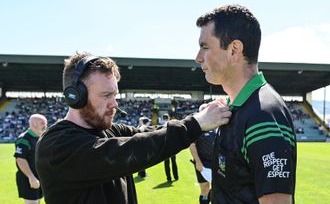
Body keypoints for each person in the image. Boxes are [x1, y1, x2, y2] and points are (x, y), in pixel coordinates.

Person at [35, 52, 232, 204]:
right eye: (106, 96)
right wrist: (197, 123)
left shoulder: (110, 130)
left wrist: (199, 116)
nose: (114, 104)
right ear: (75, 96)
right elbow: (134, 149)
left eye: (115, 95)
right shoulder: (56, 146)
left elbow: (153, 135)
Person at [195, 4, 297, 204]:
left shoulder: (263, 115)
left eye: (205, 47)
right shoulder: (237, 107)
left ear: (234, 50)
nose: (198, 58)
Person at [14, 114, 48, 204]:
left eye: (46, 123)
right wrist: (31, 177)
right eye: (42, 123)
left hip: (40, 177)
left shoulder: (40, 138)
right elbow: (20, 159)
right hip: (28, 179)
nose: (45, 126)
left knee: (38, 201)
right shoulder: (24, 139)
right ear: (34, 124)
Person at [189, 103, 216, 204]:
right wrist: (198, 161)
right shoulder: (197, 128)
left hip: (216, 163)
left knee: (217, 188)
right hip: (202, 163)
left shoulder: (215, 125)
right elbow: (192, 145)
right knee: (205, 188)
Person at [162, 113, 178, 182]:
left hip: (165, 146)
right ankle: (176, 176)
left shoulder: (162, 126)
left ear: (163, 119)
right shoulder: (172, 125)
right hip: (172, 146)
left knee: (166, 163)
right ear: (168, 118)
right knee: (173, 162)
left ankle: (169, 178)